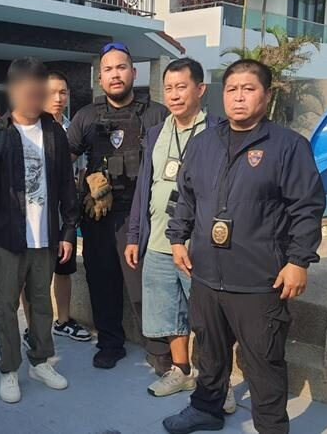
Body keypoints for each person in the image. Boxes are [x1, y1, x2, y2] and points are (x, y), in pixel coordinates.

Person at [163, 59, 326, 434]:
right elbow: (185, 196)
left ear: (266, 96)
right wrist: (177, 239)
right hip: (206, 275)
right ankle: (206, 409)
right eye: (232, 89)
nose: (239, 97)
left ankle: (271, 427)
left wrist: (298, 261)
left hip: (259, 280)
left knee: (263, 361)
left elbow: (307, 207)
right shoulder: (203, 144)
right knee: (209, 351)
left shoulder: (287, 146)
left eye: (248, 89)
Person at [125, 58, 234, 406]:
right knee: (167, 311)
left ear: (199, 89)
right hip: (158, 241)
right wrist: (134, 235)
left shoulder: (219, 132)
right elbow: (144, 188)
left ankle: (218, 384)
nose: (173, 95)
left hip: (199, 246)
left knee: (208, 318)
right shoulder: (156, 133)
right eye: (168, 88)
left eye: (181, 87)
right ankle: (182, 370)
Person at [0, 57, 78, 404]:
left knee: (41, 303)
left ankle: (41, 361)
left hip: (45, 237)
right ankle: (9, 368)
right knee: (5, 305)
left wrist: (68, 231)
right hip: (7, 238)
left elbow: (66, 185)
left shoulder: (54, 132)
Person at [67, 42, 170, 371]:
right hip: (98, 214)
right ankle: (110, 343)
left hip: (140, 216)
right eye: (108, 69)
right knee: (101, 281)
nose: (115, 74)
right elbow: (64, 157)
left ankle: (158, 349)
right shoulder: (86, 115)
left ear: (134, 73)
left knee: (144, 285)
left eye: (121, 67)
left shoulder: (156, 114)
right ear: (100, 77)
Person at [21, 71, 91, 346]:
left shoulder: (72, 129)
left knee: (64, 269)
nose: (58, 98)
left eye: (63, 92)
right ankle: (32, 329)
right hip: (34, 215)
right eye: (51, 92)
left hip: (64, 215)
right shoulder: (27, 128)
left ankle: (63, 321)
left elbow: (80, 171)